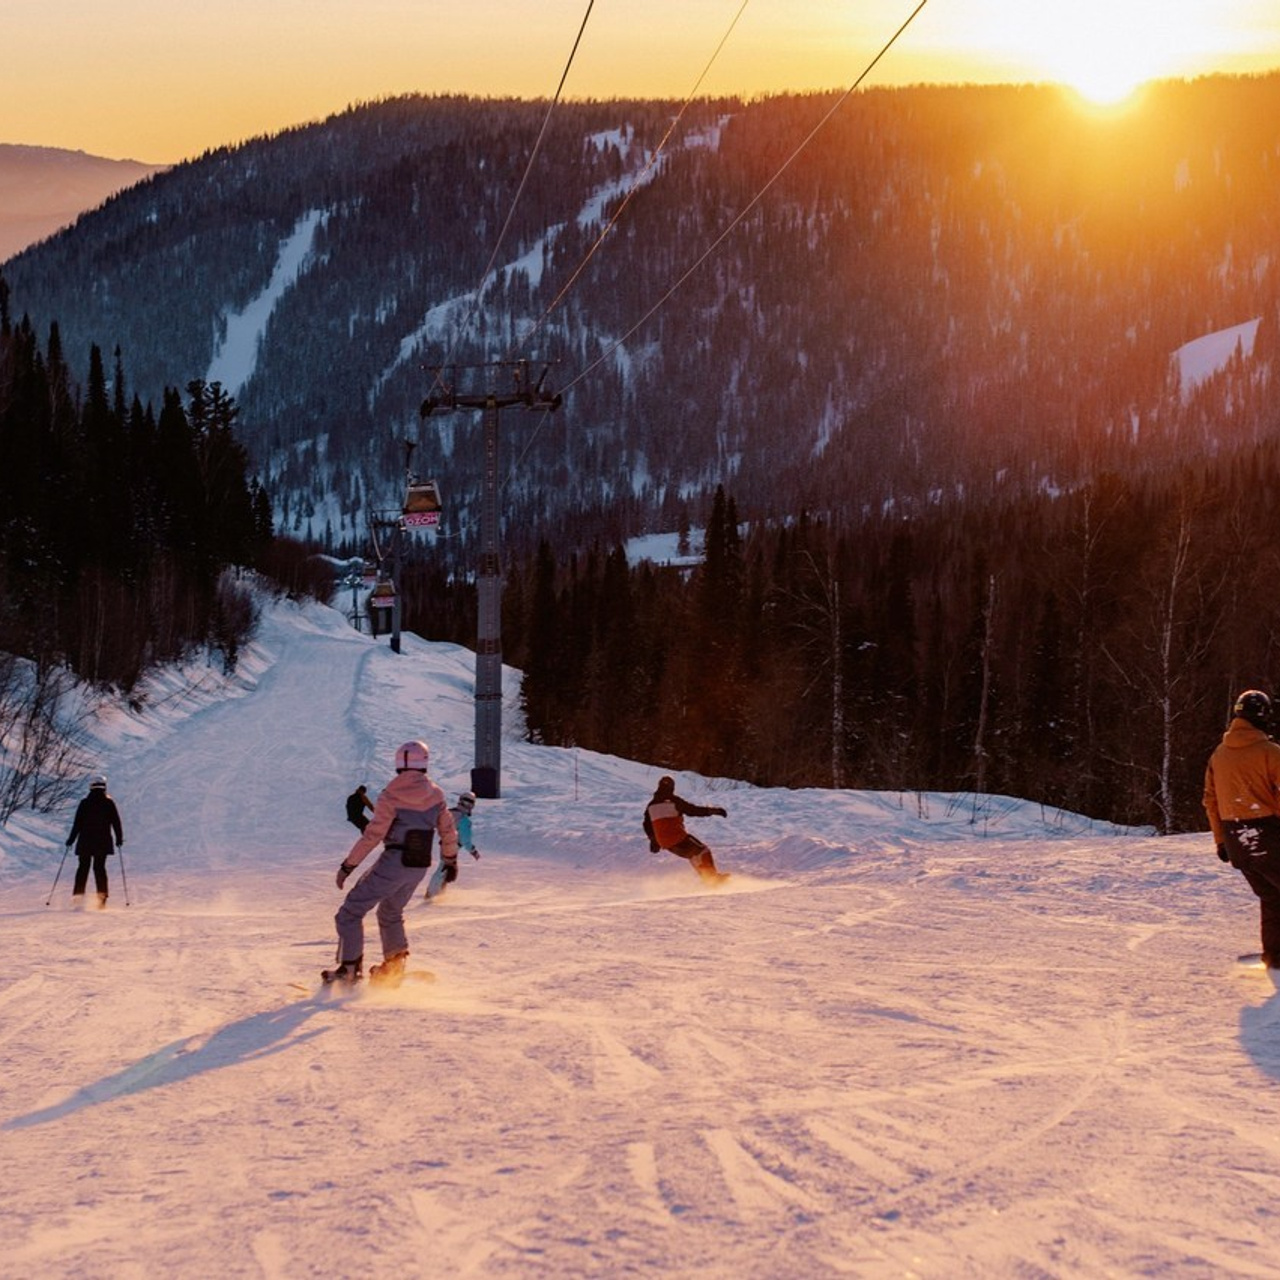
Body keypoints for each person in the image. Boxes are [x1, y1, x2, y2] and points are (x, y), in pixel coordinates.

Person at [325, 740, 458, 985]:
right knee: (390, 911)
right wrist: (450, 861)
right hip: (419, 865)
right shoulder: (436, 795)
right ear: (424, 764)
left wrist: (348, 866)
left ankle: (350, 970)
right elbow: (448, 832)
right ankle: (393, 968)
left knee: (350, 913)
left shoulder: (391, 794)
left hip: (394, 862)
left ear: (399, 764)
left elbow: (374, 834)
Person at [1203, 689, 1280, 967]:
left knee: (1272, 897)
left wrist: (1220, 840)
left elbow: (1210, 799)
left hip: (1236, 840)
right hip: (1267, 834)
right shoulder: (1270, 753)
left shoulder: (1219, 755)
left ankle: (1275, 955)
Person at [642, 775, 730, 884]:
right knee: (703, 851)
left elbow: (647, 825)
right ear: (672, 787)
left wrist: (654, 840)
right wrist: (713, 811)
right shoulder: (673, 801)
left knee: (693, 856)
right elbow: (692, 810)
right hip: (678, 838)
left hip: (665, 843)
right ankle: (712, 878)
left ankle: (708, 879)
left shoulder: (651, 805)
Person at [66, 774, 124, 909]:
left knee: (83, 868)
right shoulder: (109, 803)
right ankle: (102, 899)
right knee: (99, 868)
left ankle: (78, 897)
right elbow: (116, 822)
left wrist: (71, 839)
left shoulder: (84, 803)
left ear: (91, 787)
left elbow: (77, 824)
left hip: (85, 841)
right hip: (102, 842)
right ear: (104, 787)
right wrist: (119, 838)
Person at [424, 791, 482, 902]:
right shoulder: (464, 820)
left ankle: (436, 891)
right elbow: (465, 839)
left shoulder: (449, 813)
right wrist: (473, 851)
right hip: (453, 846)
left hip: (444, 843)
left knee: (445, 867)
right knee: (445, 868)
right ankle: (433, 894)